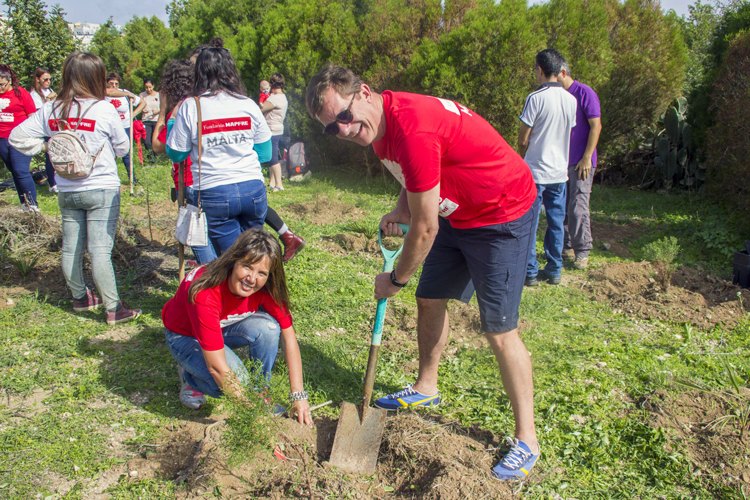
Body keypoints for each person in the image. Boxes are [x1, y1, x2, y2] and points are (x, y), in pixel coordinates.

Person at [306, 65, 540, 480]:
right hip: (458, 211)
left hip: (501, 212)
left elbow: (426, 227)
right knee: (430, 298)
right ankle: (426, 388)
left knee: (500, 330)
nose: (342, 131)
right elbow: (414, 175)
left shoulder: (412, 127)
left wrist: (395, 278)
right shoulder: (379, 126)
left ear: (363, 92)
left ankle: (527, 440)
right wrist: (401, 208)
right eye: (330, 129)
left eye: (343, 117)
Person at [9, 52, 141, 325]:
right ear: (96, 77)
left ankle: (80, 298)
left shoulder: (52, 109)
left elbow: (16, 136)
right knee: (100, 250)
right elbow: (122, 147)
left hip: (67, 187)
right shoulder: (102, 108)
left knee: (71, 246)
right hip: (102, 186)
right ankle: (114, 308)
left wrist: (45, 146)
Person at [161, 228, 313, 424]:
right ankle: (190, 377)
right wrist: (254, 415)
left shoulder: (267, 288)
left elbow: (288, 336)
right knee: (229, 381)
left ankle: (259, 394)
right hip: (185, 336)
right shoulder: (205, 293)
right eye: (247, 267)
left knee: (268, 328)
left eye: (261, 273)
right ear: (234, 261)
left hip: (220, 327)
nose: (252, 278)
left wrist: (298, 396)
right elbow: (217, 368)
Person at [166, 47, 272, 255]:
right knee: (249, 255)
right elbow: (266, 153)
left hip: (213, 191)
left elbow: (176, 153)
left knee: (234, 260)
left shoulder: (191, 106)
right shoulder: (248, 104)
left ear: (199, 73)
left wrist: (171, 122)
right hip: (253, 190)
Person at [518, 49, 577, 286]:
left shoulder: (536, 98)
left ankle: (530, 271)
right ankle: (554, 269)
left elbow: (524, 138)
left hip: (535, 171)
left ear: (540, 70)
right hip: (559, 172)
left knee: (530, 222)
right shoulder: (570, 100)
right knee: (556, 222)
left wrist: (524, 154)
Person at [558, 60, 601, 270]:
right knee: (563, 206)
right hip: (561, 163)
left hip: (581, 163)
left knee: (578, 206)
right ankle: (566, 247)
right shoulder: (559, 98)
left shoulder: (584, 92)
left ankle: (582, 250)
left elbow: (596, 126)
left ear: (563, 73)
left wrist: (587, 157)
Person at [0, 64, 39, 211]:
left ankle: (33, 205)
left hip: (20, 138)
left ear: (9, 80)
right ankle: (25, 204)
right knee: (15, 172)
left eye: (2, 85)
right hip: (2, 139)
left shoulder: (21, 93)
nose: (0, 88)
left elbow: (32, 116)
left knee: (21, 170)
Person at [105, 72, 145, 184]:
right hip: (109, 127)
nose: (114, 86)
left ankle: (132, 178)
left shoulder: (125, 93)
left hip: (125, 126)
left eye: (116, 83)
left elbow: (142, 103)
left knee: (126, 153)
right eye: (111, 83)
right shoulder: (103, 93)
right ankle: (110, 178)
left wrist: (133, 114)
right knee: (109, 153)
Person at [29, 67, 59, 194]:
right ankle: (52, 183)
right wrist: (47, 101)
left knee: (56, 153)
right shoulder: (34, 94)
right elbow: (37, 114)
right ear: (37, 79)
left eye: (50, 79)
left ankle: (57, 179)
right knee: (50, 154)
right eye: (45, 79)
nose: (48, 81)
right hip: (44, 127)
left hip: (54, 125)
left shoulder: (49, 90)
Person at [261, 73, 288, 192]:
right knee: (274, 156)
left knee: (272, 159)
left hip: (271, 130)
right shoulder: (283, 97)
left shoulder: (274, 99)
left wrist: (263, 97)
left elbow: (261, 109)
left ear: (272, 84)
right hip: (278, 129)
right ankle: (272, 182)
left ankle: (279, 184)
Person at [138, 78, 160, 160]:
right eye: (146, 87)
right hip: (146, 121)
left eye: (150, 87)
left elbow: (164, 108)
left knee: (155, 141)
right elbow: (139, 106)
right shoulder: (142, 95)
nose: (148, 89)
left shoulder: (158, 95)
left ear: (153, 86)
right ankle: (151, 158)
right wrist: (142, 109)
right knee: (147, 141)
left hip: (156, 120)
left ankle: (156, 157)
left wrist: (158, 111)